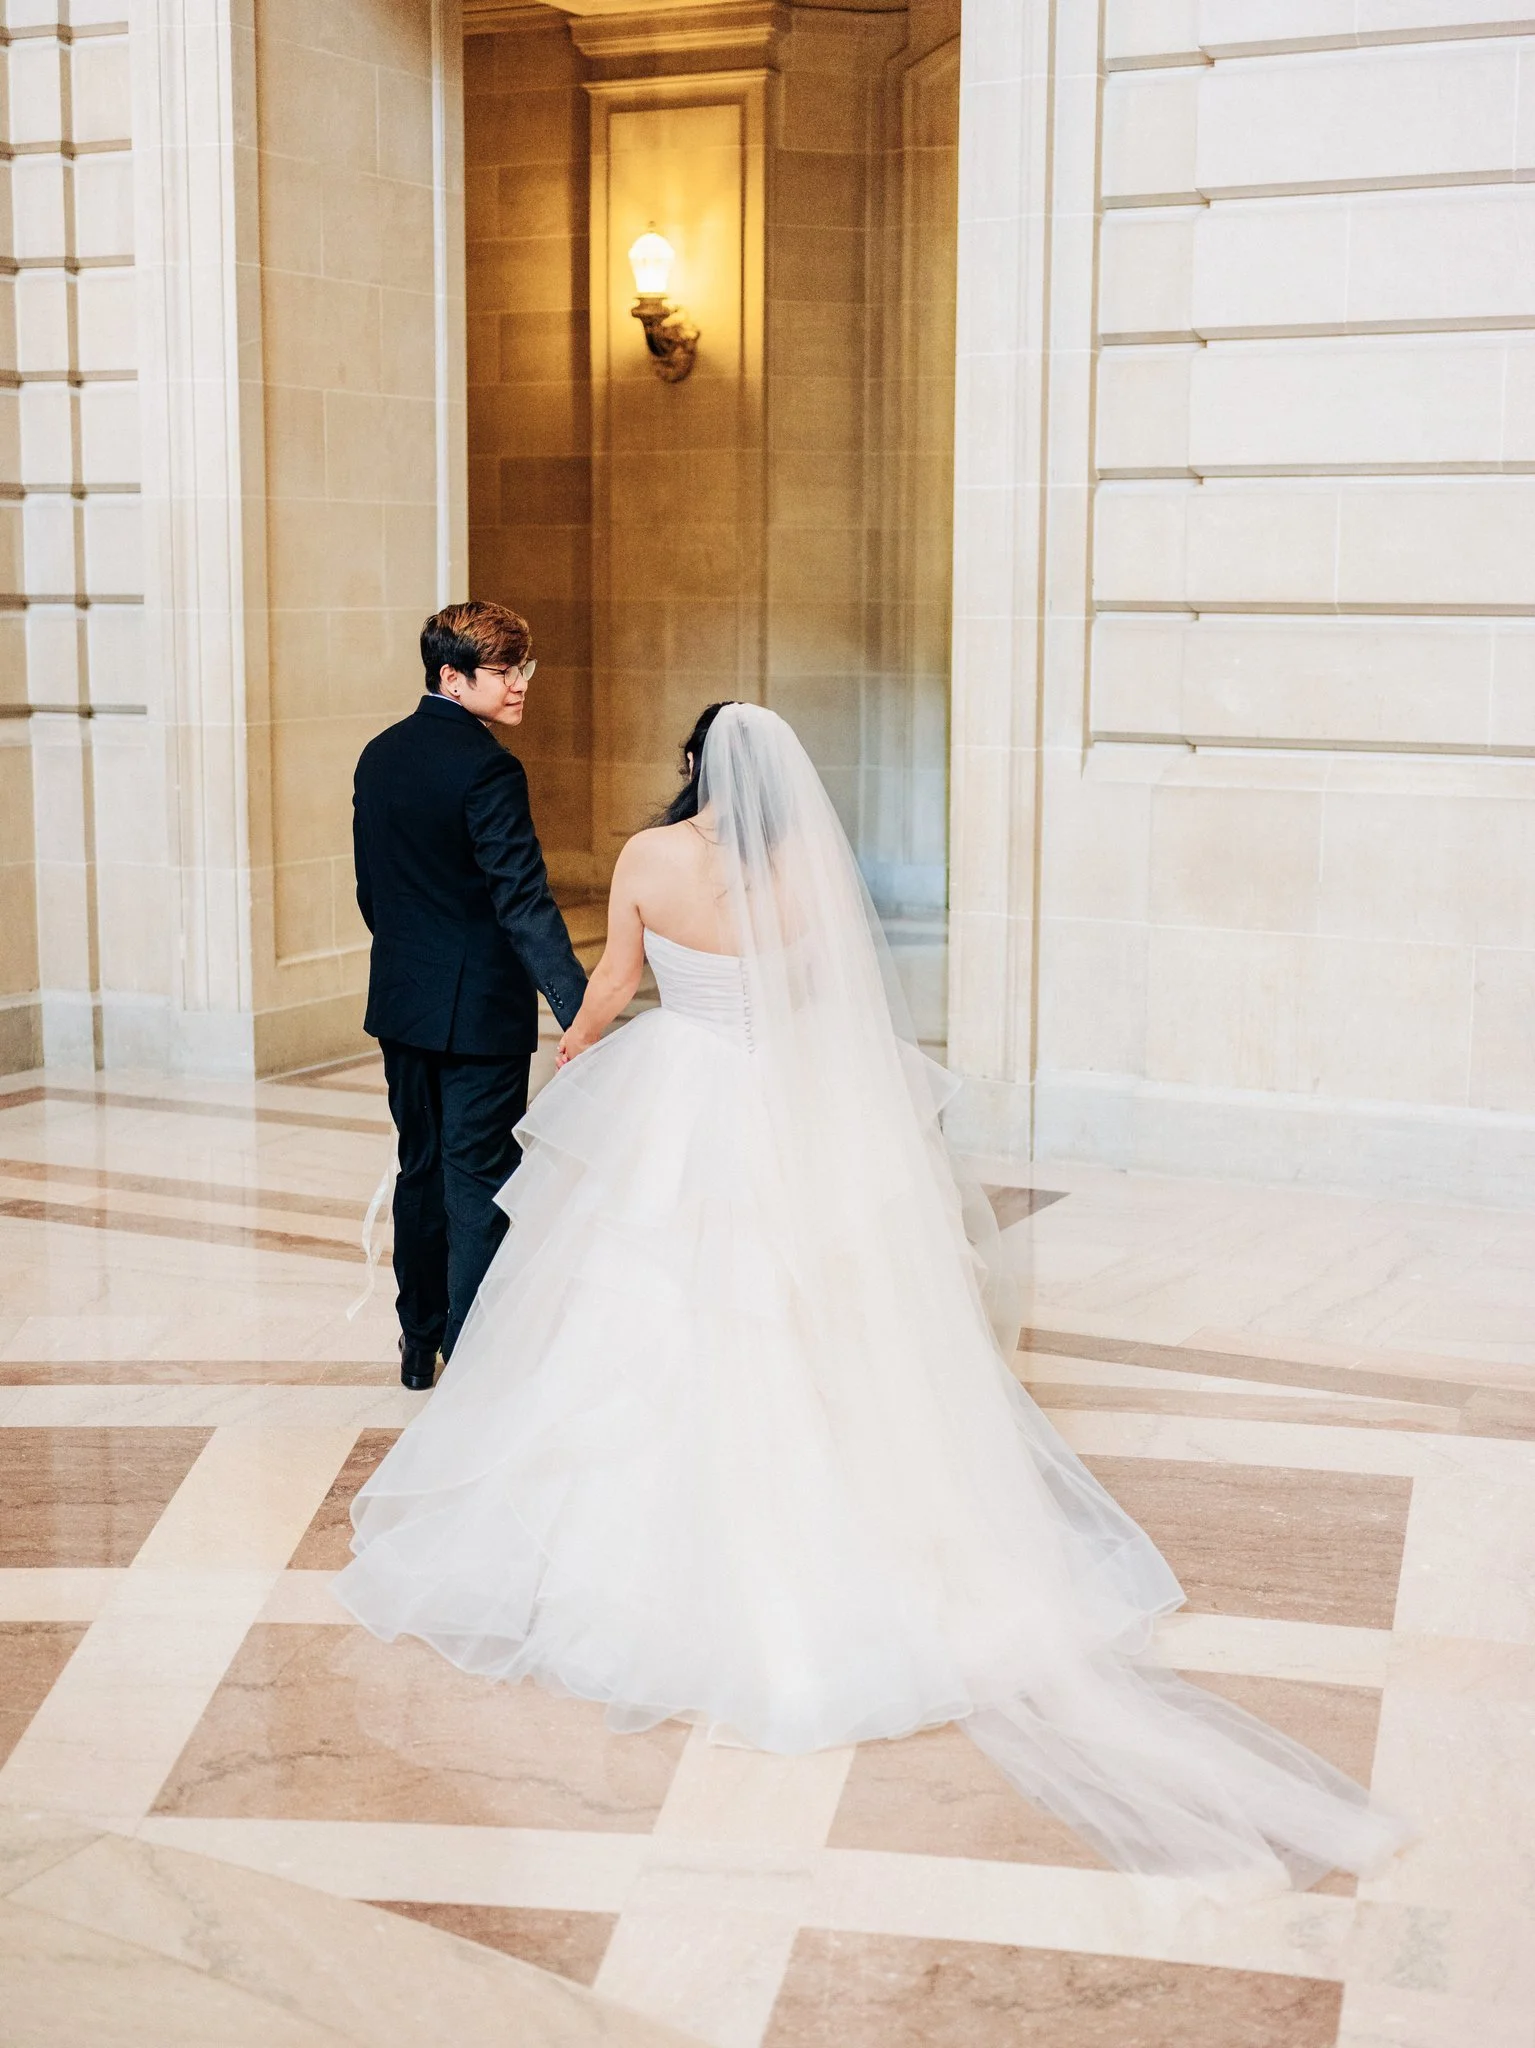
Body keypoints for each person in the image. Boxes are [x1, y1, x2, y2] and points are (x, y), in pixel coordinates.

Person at [336, 701, 1408, 1890]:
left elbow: (612, 991)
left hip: (681, 1095)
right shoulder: (807, 871)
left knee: (644, 1300)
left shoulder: (650, 859)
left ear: (689, 766)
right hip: (787, 1099)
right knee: (810, 1309)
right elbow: (820, 1006)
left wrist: (578, 1044)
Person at [352, 601, 586, 1391]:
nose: (520, 685)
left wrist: (413, 963)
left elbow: (371, 893)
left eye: (524, 668)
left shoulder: (379, 755)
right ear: (452, 679)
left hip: (402, 1001)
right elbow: (522, 900)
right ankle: (474, 1353)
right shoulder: (488, 768)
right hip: (479, 1010)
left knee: (419, 1169)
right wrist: (576, 1005)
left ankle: (417, 1345)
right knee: (475, 1176)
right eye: (503, 672)